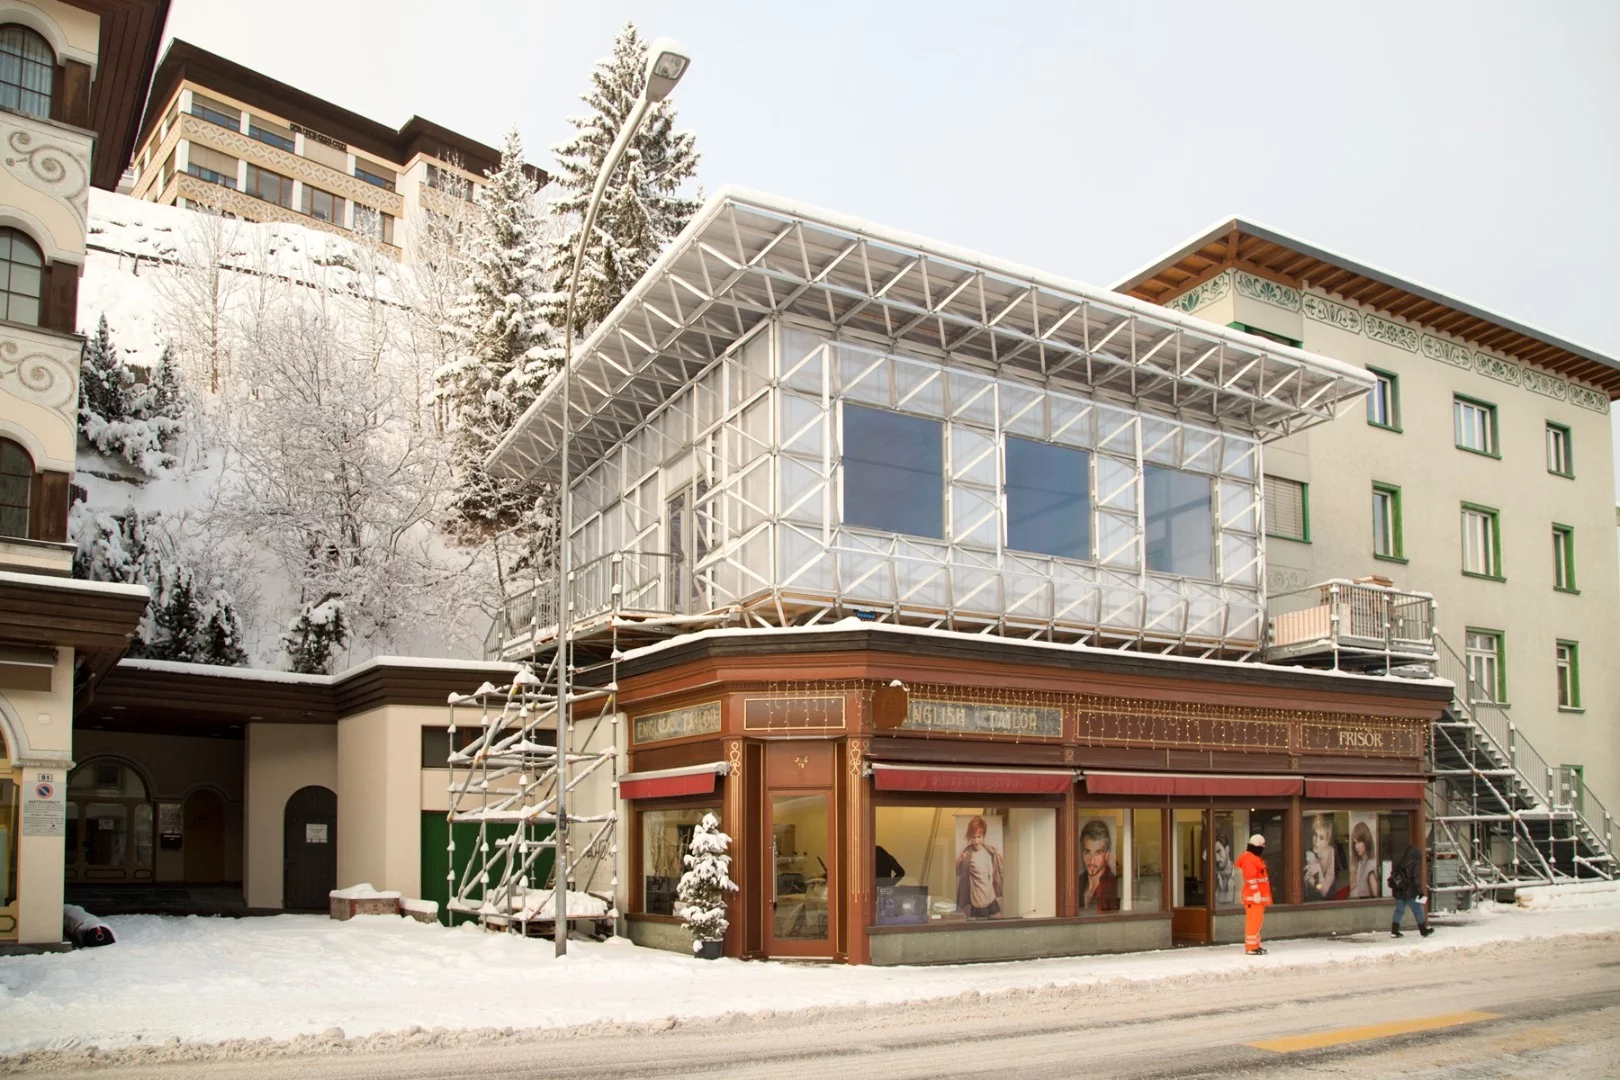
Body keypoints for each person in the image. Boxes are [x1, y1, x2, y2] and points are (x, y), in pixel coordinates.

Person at [955, 815, 1004, 918]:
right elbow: (956, 871)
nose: (976, 841)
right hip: (978, 905)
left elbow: (998, 869)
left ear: (983, 836)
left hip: (992, 900)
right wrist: (960, 859)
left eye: (979, 836)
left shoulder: (989, 851)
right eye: (973, 837)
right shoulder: (967, 854)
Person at [1235, 832, 1272, 955]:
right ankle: (1251, 947)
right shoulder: (1251, 859)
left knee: (1256, 922)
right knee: (1254, 922)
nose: (1263, 848)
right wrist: (1256, 893)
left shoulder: (1252, 858)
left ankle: (1255, 945)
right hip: (1254, 898)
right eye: (1261, 845)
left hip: (1256, 898)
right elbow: (1250, 877)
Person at [1389, 840, 1433, 937]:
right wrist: (1421, 892)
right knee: (1417, 909)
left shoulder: (1401, 862)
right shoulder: (1415, 863)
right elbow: (1416, 880)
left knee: (1399, 910)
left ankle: (1394, 930)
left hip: (1399, 891)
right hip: (1410, 892)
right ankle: (1423, 930)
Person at [1080, 819, 1120, 913]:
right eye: (1087, 852)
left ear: (1106, 855)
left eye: (1098, 852)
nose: (1092, 860)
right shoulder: (1076, 883)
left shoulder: (1113, 886)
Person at [1302, 813, 1339, 901]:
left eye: (1321, 838)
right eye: (1315, 835)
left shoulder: (1331, 853)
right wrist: (1310, 882)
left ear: (1327, 841)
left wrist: (1318, 870)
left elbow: (1325, 892)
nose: (1316, 840)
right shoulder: (1307, 854)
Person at [1349, 821, 1379, 899]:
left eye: (1359, 842)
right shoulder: (1361, 863)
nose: (1357, 847)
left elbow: (1375, 894)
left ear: (1366, 841)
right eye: (1355, 843)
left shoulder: (1370, 866)